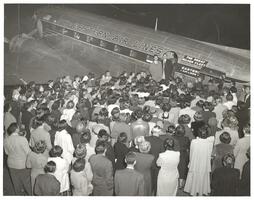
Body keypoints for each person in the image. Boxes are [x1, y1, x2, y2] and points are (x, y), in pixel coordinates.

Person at [184, 125, 214, 196]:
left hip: (195, 161)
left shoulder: (194, 142)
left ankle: (193, 191)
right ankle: (202, 191)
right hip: (204, 162)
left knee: (195, 175)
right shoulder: (209, 143)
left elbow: (191, 153)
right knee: (203, 176)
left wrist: (191, 162)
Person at [4, 122, 32, 195]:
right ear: (16, 129)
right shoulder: (22, 139)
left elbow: (7, 152)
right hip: (22, 164)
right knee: (27, 183)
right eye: (18, 128)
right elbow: (28, 152)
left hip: (11, 164)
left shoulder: (6, 140)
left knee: (16, 183)